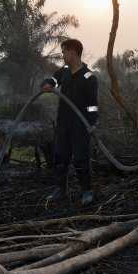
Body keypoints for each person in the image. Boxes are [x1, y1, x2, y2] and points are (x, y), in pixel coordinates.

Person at [42, 38, 98, 205]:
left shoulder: (89, 77)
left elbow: (93, 105)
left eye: (64, 51)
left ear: (73, 52)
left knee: (81, 159)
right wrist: (47, 84)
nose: (63, 55)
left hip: (81, 126)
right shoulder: (64, 71)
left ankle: (87, 191)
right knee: (60, 158)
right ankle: (60, 190)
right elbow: (53, 80)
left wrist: (92, 124)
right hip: (63, 123)